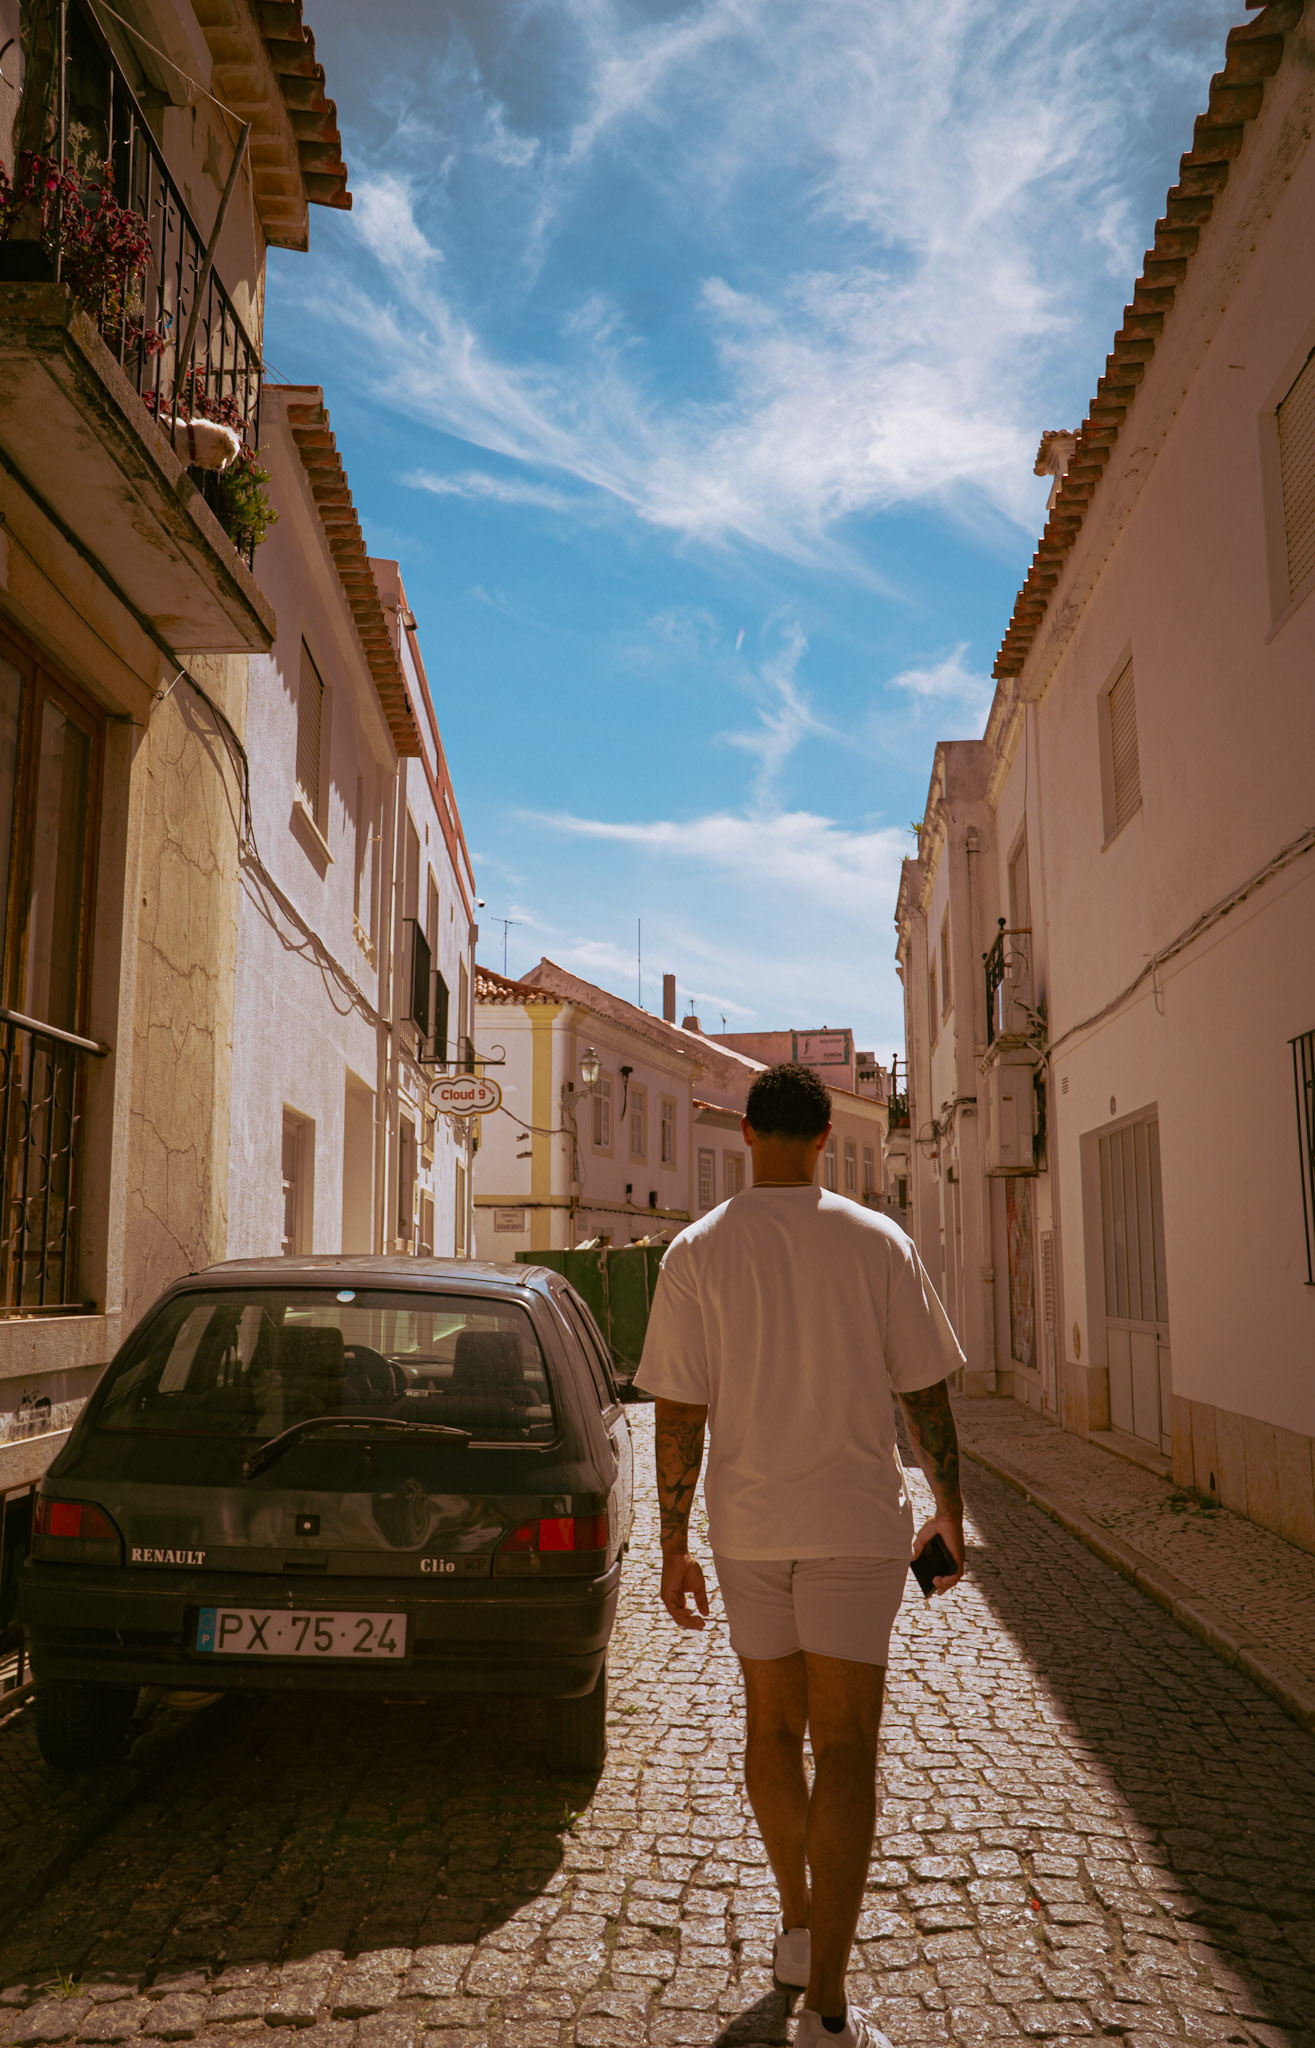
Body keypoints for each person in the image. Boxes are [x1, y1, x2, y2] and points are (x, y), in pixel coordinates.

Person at [633, 1062, 966, 2048]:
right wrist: (950, 1511)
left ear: (745, 1132)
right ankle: (826, 2005)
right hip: (856, 1528)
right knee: (848, 1744)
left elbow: (678, 1413)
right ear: (826, 1136)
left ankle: (792, 1922)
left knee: (771, 1729)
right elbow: (927, 1398)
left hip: (746, 1526)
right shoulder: (879, 1240)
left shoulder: (695, 1250)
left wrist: (672, 1543)